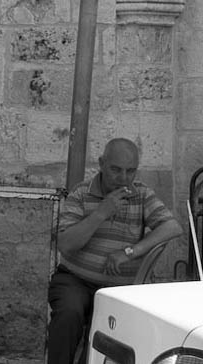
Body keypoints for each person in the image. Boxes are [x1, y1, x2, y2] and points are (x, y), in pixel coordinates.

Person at [48, 138, 183, 364]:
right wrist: (102, 212)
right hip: (75, 279)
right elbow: (66, 244)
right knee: (69, 313)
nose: (123, 178)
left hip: (120, 288)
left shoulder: (141, 194)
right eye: (116, 170)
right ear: (101, 163)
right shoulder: (81, 193)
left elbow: (172, 227)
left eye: (130, 171)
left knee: (110, 327)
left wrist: (130, 251)